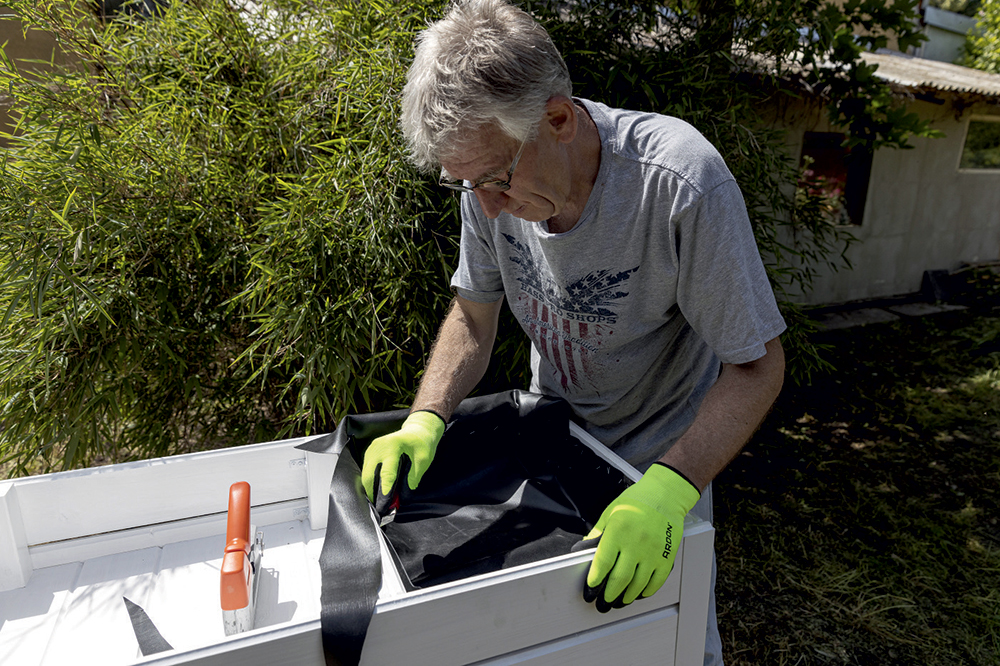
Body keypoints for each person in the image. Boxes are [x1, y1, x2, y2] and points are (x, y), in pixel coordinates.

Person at [360, 1, 786, 663]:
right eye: (464, 184)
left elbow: (757, 367)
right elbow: (474, 314)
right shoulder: (488, 189)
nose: (487, 206)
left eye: (496, 178)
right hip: (551, 438)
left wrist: (670, 491)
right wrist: (426, 416)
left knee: (669, 641)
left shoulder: (679, 184)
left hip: (661, 462)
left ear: (557, 119)